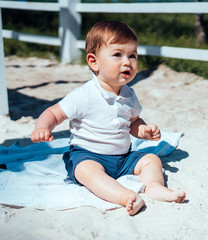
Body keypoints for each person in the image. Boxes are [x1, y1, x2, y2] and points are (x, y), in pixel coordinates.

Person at [31, 20, 185, 215]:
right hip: (88, 154)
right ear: (94, 62)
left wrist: (144, 131)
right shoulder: (84, 94)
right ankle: (125, 196)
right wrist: (42, 127)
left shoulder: (129, 94)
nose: (127, 61)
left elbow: (133, 122)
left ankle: (153, 186)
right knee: (86, 171)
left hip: (123, 157)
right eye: (117, 55)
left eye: (132, 55)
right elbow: (54, 112)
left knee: (151, 159)